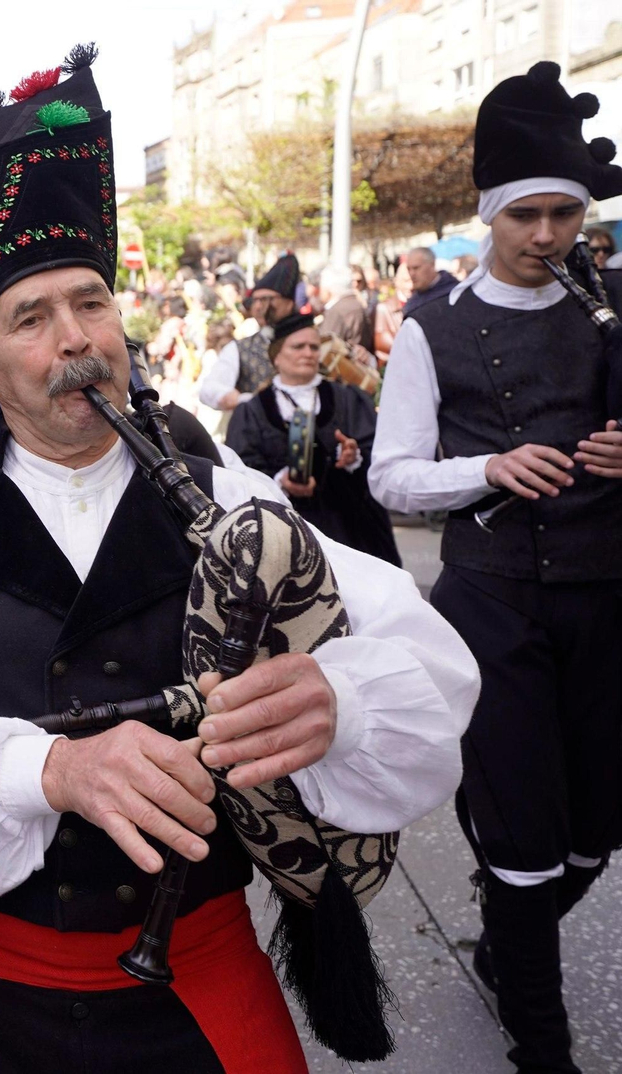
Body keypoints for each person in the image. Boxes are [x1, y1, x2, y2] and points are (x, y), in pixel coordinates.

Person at [0, 47, 479, 1073]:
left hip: (195, 987)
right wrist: (52, 768)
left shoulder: (229, 495)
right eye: (30, 319)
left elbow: (427, 663)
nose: (76, 339)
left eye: (89, 302)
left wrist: (334, 698)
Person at [369, 63, 622, 1074]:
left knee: (592, 836)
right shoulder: (432, 328)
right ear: (490, 215)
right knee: (522, 836)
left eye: (565, 213)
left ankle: (510, 916)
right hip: (489, 599)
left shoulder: (608, 305)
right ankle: (539, 1035)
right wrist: (489, 466)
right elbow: (393, 476)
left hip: (602, 596)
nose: (548, 234)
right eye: (529, 213)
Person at [225, 312, 399, 564]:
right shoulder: (253, 411)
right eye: (298, 347)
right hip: (286, 532)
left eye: (314, 347)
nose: (308, 353)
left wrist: (353, 456)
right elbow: (240, 469)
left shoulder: (347, 398)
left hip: (352, 527)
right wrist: (281, 480)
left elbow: (379, 450)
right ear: (276, 357)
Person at [196, 253, 298, 413]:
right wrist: (246, 400)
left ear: (289, 304)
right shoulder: (240, 349)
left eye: (266, 299)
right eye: (255, 301)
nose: (257, 308)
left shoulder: (313, 343)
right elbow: (208, 389)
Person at [401, 246, 460, 317]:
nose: (411, 274)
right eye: (409, 269)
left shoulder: (455, 292)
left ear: (432, 265)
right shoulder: (412, 303)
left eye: (416, 268)